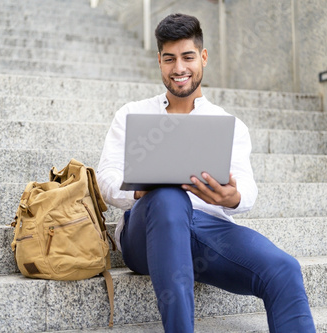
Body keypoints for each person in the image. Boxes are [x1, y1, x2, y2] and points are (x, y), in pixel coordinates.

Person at [97, 13, 315, 333]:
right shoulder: (132, 114)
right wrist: (139, 190)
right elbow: (106, 178)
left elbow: (247, 188)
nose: (179, 68)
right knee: (169, 197)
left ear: (203, 57)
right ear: (159, 61)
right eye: (169, 59)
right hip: (146, 231)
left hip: (206, 230)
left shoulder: (227, 124)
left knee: (283, 269)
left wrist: (232, 196)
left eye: (187, 57)